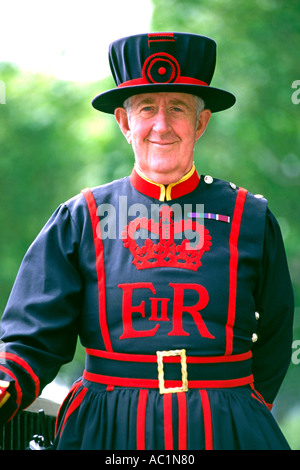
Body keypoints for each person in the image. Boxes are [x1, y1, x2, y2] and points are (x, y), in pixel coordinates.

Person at [0, 32, 294, 450]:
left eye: (177, 108)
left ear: (200, 122)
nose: (161, 125)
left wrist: (234, 406)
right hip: (104, 431)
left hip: (229, 430)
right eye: (146, 108)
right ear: (124, 122)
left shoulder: (251, 217)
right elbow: (32, 338)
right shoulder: (79, 217)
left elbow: (277, 338)